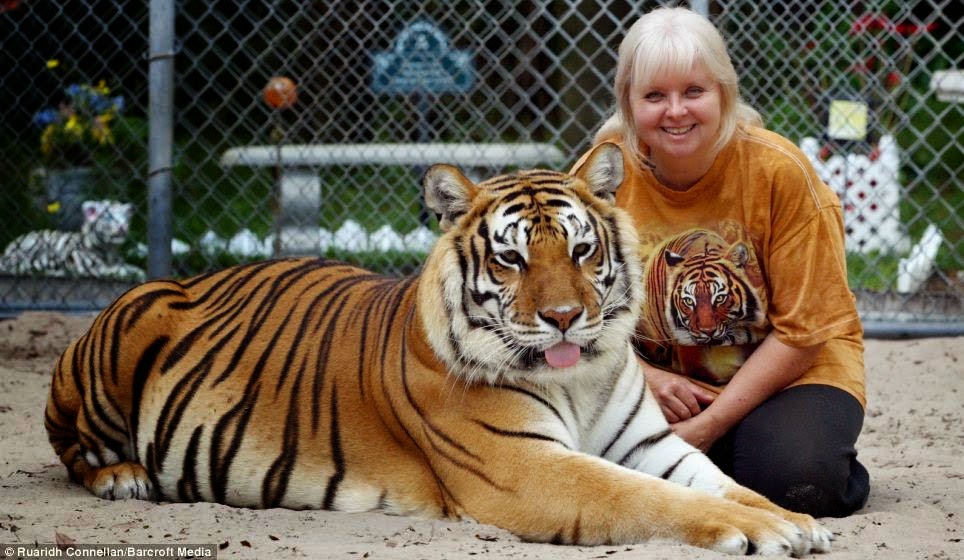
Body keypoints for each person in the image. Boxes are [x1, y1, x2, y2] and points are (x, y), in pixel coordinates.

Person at [576, 6, 870, 518]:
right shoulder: (602, 173)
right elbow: (569, 303)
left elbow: (804, 333)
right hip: (655, 378)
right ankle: (726, 455)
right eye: (654, 95)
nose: (676, 112)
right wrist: (644, 375)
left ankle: (765, 448)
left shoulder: (780, 172)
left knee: (800, 480)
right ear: (628, 101)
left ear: (724, 93)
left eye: (694, 91)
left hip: (790, 371)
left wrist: (704, 430)